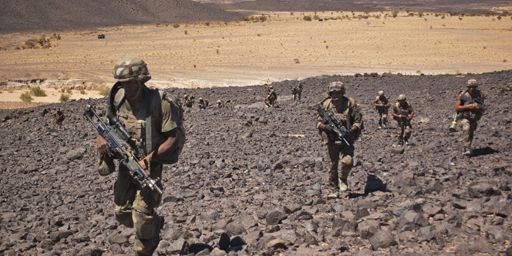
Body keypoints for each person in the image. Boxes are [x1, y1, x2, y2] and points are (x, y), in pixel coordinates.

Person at [96, 56, 185, 256]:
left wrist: (149, 159)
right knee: (122, 213)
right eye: (123, 84)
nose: (126, 88)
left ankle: (145, 247)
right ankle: (154, 224)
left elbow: (172, 138)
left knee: (142, 215)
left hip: (151, 163)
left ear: (141, 80)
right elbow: (105, 127)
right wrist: (101, 141)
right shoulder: (117, 100)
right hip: (126, 163)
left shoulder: (160, 103)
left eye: (130, 83)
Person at [316, 81, 363, 198]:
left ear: (342, 93)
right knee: (332, 166)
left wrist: (351, 130)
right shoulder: (326, 105)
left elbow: (358, 121)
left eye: (338, 93)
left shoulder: (350, 104)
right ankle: (333, 188)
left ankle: (343, 179)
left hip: (346, 139)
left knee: (347, 161)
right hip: (331, 140)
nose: (335, 96)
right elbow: (318, 122)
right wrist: (326, 127)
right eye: (333, 93)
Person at [454, 79, 485, 156]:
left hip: (474, 117)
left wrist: (477, 107)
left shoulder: (480, 94)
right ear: (467, 87)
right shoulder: (462, 95)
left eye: (474, 87)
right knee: (466, 128)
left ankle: (467, 147)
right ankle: (467, 149)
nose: (472, 89)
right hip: (465, 116)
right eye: (470, 87)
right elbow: (457, 107)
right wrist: (468, 106)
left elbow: (482, 106)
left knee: (470, 133)